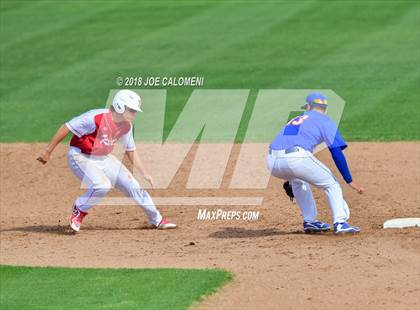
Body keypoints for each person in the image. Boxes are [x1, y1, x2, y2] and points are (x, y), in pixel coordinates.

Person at [37, 90, 176, 232]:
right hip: (80, 157)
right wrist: (48, 151)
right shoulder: (95, 117)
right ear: (120, 106)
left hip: (104, 158)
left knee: (133, 185)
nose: (134, 114)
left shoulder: (126, 125)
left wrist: (144, 173)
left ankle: (157, 219)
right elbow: (67, 127)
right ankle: (79, 210)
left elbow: (130, 150)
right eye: (132, 110)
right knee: (102, 185)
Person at [266, 92, 364, 234]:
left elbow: (284, 143)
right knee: (332, 184)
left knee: (298, 181)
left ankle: (310, 221)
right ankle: (340, 222)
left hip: (272, 161)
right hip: (296, 159)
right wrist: (349, 180)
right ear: (325, 108)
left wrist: (288, 174)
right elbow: (336, 151)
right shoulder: (325, 121)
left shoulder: (295, 119)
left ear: (308, 106)